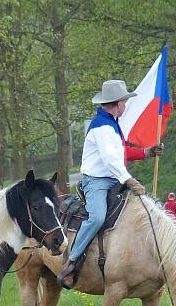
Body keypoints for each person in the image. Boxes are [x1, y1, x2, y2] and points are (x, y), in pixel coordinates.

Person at [57, 79, 163, 289]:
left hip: (114, 178)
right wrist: (128, 179)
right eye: (124, 101)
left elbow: (121, 152)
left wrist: (147, 152)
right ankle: (72, 260)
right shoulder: (102, 127)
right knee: (97, 217)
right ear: (116, 103)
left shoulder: (112, 124)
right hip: (95, 181)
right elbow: (109, 159)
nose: (125, 105)